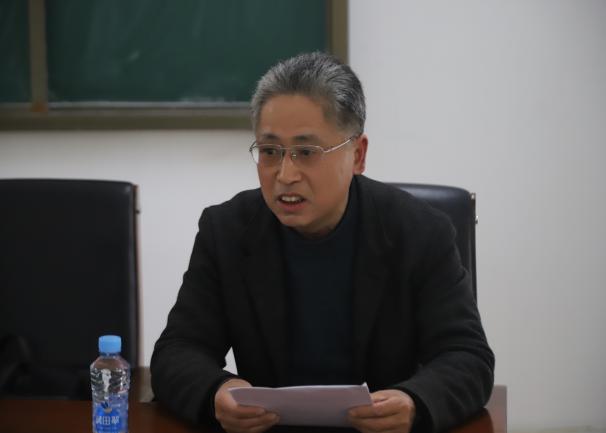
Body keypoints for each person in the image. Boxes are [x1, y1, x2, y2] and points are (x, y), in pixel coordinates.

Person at [151, 52, 494, 433]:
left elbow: (468, 357)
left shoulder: (420, 232)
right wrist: (217, 391)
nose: (286, 174)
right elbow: (177, 352)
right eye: (270, 152)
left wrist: (414, 402)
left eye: (306, 152)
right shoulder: (227, 231)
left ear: (358, 155)